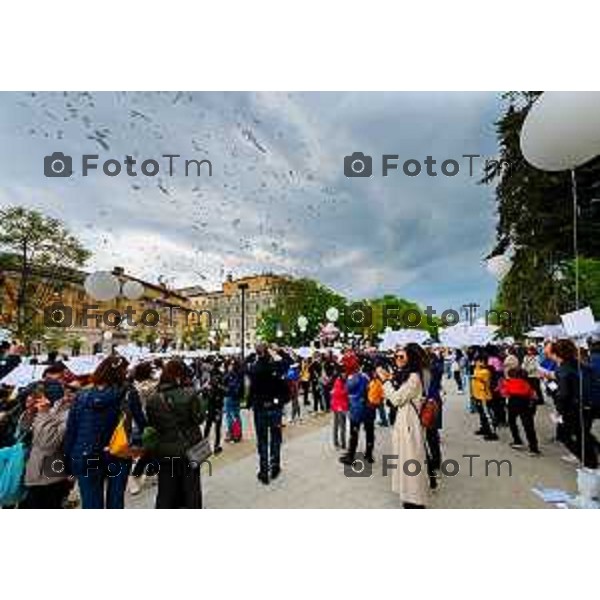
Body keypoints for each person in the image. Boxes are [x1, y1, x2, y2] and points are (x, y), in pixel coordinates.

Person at [64, 356, 146, 509]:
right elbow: (141, 423)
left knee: (90, 503)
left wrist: (68, 461)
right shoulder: (128, 393)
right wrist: (139, 444)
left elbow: (71, 430)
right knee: (115, 502)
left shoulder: (81, 395)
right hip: (118, 452)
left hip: (85, 453)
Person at [145, 359, 205, 508]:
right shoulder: (190, 394)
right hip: (190, 447)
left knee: (166, 488)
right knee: (192, 487)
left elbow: (152, 424)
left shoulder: (153, 399)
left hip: (164, 450)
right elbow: (199, 418)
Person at [378, 345, 429, 508]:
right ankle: (408, 495)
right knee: (405, 459)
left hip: (410, 424)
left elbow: (396, 399)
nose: (397, 360)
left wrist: (385, 381)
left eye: (401, 357)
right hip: (405, 422)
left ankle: (415, 499)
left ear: (411, 359)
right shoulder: (409, 375)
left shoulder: (414, 377)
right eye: (396, 357)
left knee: (410, 459)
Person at [21, 385, 76, 508]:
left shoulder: (67, 413)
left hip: (50, 474)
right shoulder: (45, 410)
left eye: (40, 397)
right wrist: (30, 413)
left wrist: (43, 413)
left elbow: (48, 443)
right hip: (33, 471)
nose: (36, 400)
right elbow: (24, 432)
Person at [552, 339, 598, 468]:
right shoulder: (581, 365)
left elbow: (564, 394)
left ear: (557, 354)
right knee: (583, 434)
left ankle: (589, 462)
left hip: (573, 409)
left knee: (564, 436)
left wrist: (559, 411)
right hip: (587, 405)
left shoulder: (563, 369)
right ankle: (591, 460)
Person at [247, 344, 284, 484]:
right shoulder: (276, 367)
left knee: (262, 440)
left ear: (257, 353)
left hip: (260, 408)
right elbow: (287, 365)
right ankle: (274, 467)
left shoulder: (254, 369)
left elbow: (245, 366)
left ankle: (264, 472)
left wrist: (250, 403)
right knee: (275, 438)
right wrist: (277, 352)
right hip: (275, 407)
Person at [339, 352, 375, 466]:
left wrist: (344, 380)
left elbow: (347, 389)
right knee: (369, 431)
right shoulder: (366, 375)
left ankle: (351, 456)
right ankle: (369, 455)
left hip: (357, 408)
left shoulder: (353, 377)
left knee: (354, 432)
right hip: (369, 407)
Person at [500, 367, 540, 455]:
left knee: (512, 422)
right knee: (528, 426)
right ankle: (534, 448)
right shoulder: (527, 383)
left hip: (512, 404)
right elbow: (534, 396)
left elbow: (504, 394)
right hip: (526, 405)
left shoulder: (508, 383)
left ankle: (517, 441)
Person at [471, 355, 498, 441]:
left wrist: (476, 368)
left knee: (487, 414)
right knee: (482, 414)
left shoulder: (485, 372)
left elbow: (477, 375)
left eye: (478, 361)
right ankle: (484, 428)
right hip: (478, 395)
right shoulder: (478, 370)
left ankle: (492, 432)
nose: (476, 363)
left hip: (484, 396)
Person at [203, 362, 225, 455]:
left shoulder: (209, 385)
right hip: (217, 408)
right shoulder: (219, 385)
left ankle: (204, 447)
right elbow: (223, 393)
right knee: (216, 428)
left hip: (211, 408)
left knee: (208, 427)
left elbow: (204, 396)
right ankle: (216, 447)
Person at [223, 359, 244, 441]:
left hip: (230, 396)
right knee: (236, 415)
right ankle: (237, 433)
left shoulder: (231, 374)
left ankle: (233, 433)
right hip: (237, 397)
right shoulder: (240, 373)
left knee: (230, 416)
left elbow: (226, 384)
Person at [331, 371, 348, 449]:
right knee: (340, 426)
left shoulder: (342, 382)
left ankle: (340, 442)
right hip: (339, 407)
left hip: (340, 406)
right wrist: (347, 390)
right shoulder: (338, 382)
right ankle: (340, 443)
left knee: (340, 426)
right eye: (343, 374)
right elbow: (339, 393)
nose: (344, 375)